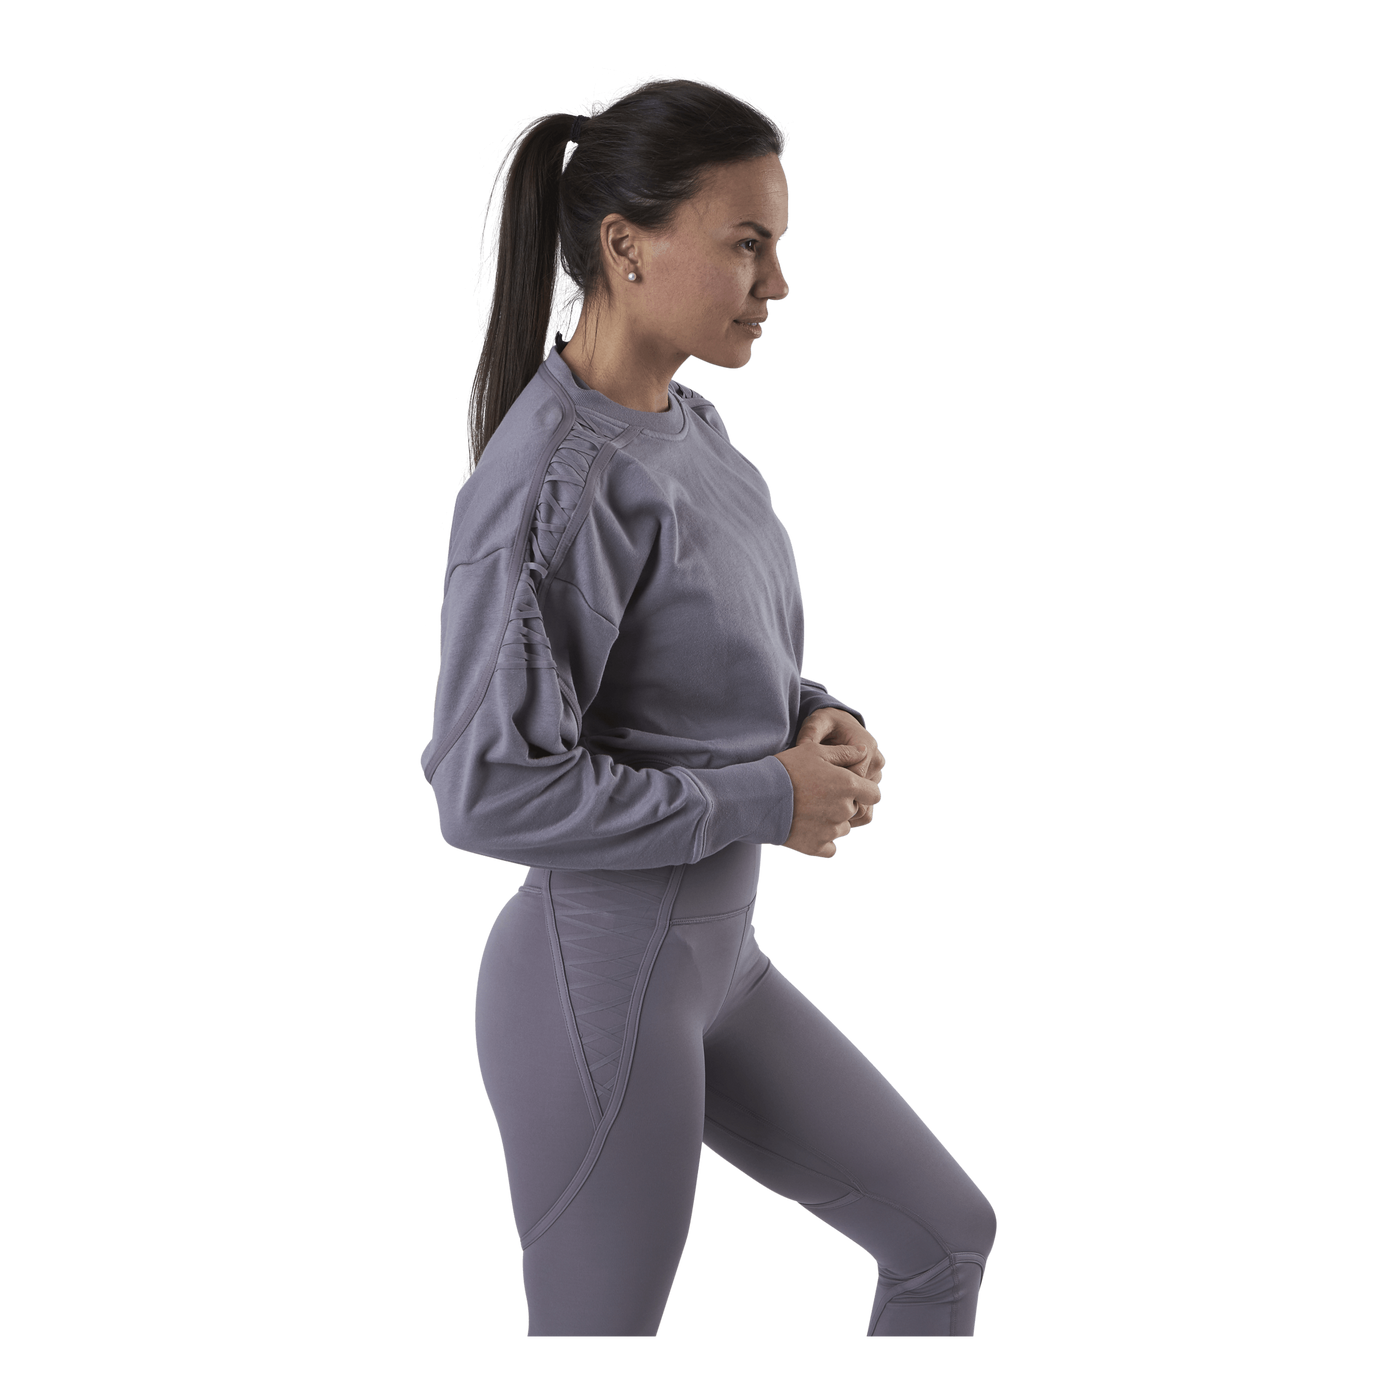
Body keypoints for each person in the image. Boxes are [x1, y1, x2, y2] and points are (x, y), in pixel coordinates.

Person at [420, 72, 999, 1338]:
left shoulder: (692, 427)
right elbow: (484, 791)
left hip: (717, 959)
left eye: (777, 246)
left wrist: (815, 717)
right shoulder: (549, 485)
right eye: (746, 244)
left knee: (942, 1234)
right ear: (625, 245)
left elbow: (712, 655)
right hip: (596, 973)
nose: (776, 282)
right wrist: (762, 797)